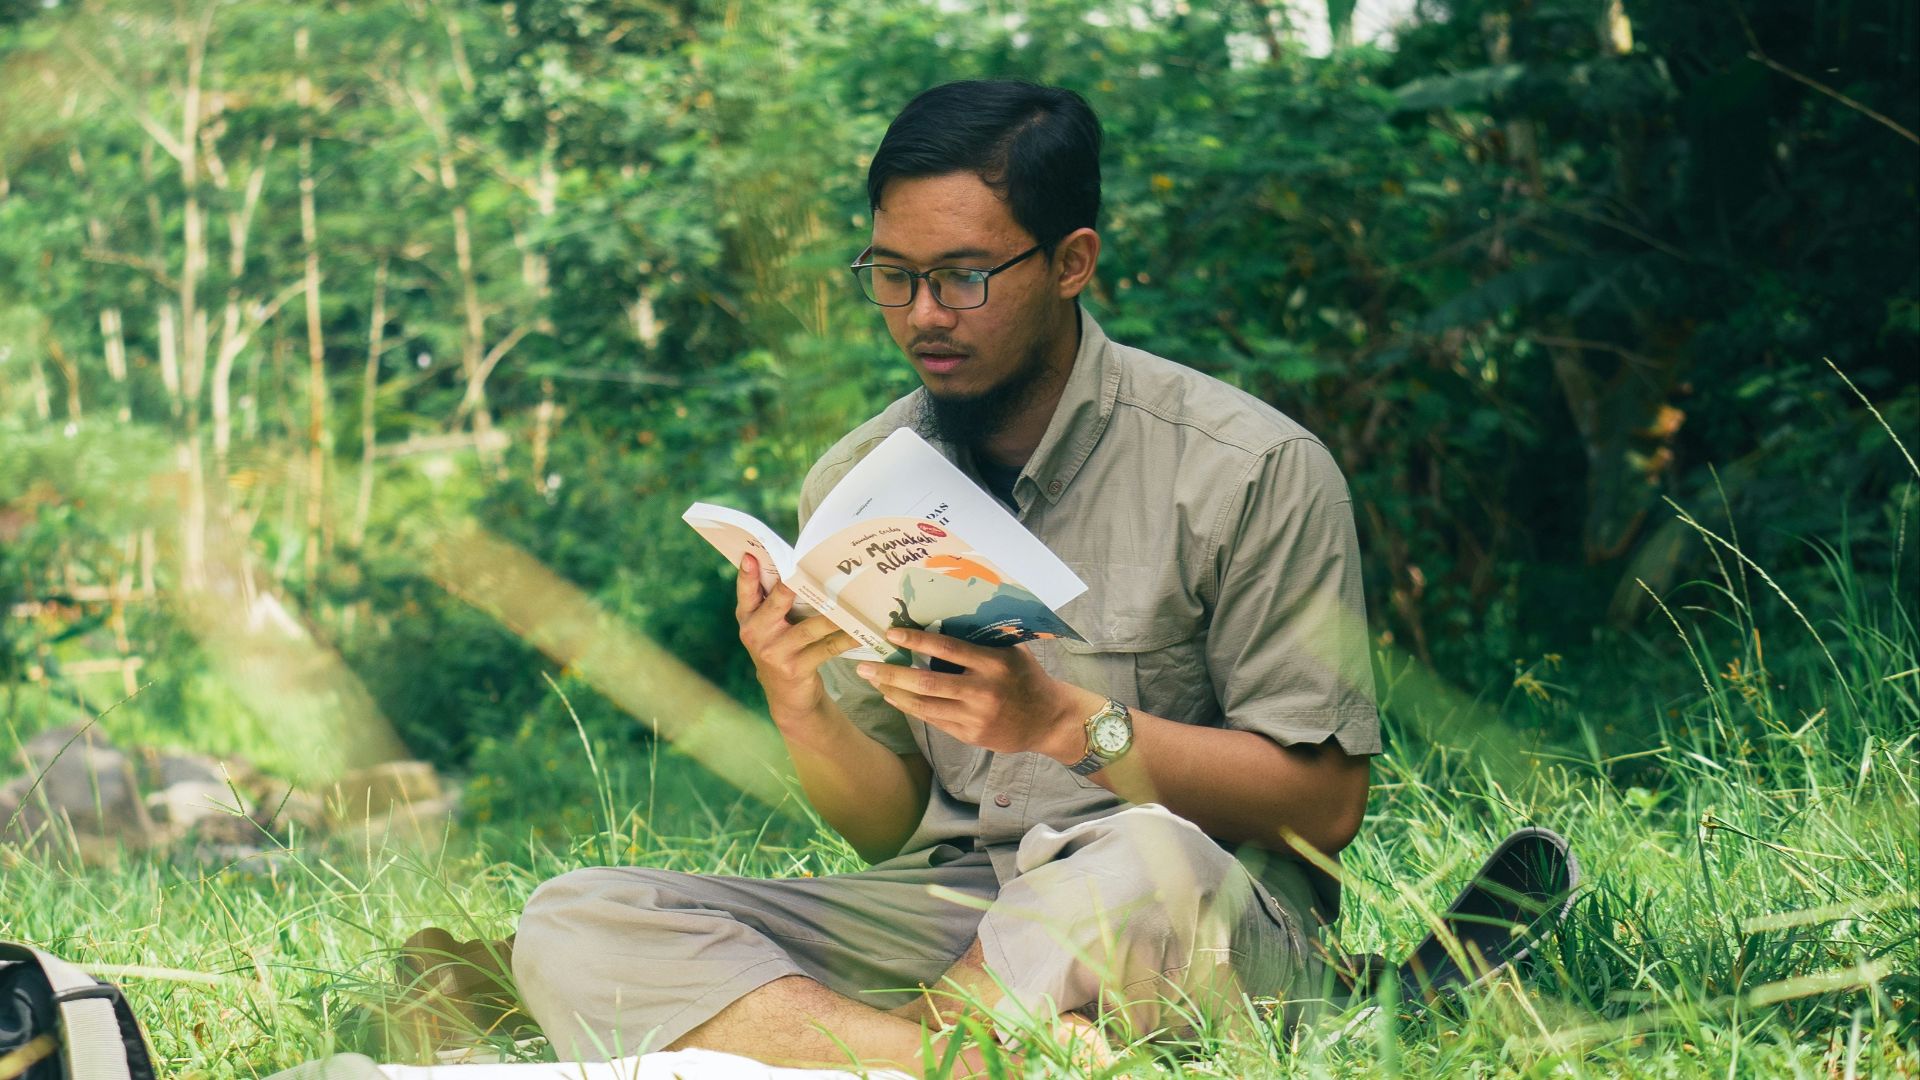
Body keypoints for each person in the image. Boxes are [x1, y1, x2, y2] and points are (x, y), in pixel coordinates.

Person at [512, 79, 1379, 1072]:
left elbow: (1324, 810)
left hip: (1195, 911)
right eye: (892, 274)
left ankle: (864, 1050)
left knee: (1141, 858)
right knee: (579, 918)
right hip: (957, 915)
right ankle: (971, 1059)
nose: (924, 314)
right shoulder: (857, 482)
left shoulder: (1248, 469)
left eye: (964, 276)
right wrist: (799, 703)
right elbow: (894, 827)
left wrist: (1065, 725)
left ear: (1070, 263)